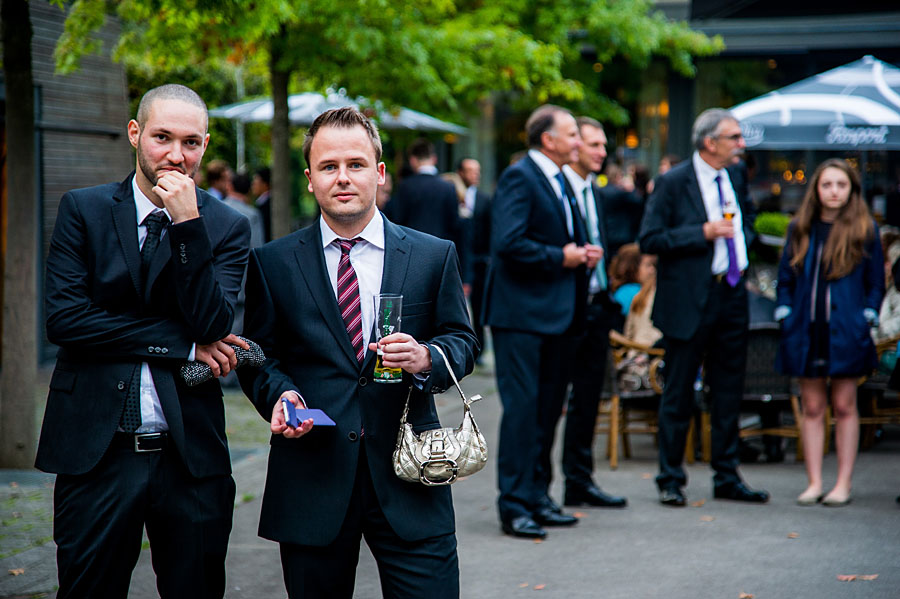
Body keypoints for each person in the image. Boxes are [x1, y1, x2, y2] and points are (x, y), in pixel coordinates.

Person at [238, 107, 478, 598]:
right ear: (309, 179)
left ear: (380, 172)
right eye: (328, 167)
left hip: (412, 476)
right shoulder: (272, 263)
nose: (342, 178)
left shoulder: (434, 255)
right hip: (312, 476)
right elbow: (259, 356)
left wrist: (428, 357)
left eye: (356, 164)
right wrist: (280, 396)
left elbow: (463, 339)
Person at [35, 84, 251, 598]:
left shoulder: (226, 227)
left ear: (204, 145)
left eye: (191, 142)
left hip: (190, 457)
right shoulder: (82, 211)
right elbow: (66, 321)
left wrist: (187, 225)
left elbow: (211, 323)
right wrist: (179, 345)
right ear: (135, 134)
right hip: (96, 452)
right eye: (162, 137)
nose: (177, 154)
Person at [639, 107, 769, 507]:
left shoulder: (736, 174)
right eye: (734, 137)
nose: (741, 144)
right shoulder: (672, 182)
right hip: (688, 301)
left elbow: (745, 224)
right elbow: (650, 239)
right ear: (710, 142)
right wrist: (703, 232)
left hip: (731, 294)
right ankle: (670, 478)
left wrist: (740, 245)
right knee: (679, 392)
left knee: (729, 390)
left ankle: (727, 476)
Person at [484, 104, 600, 539]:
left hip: (558, 317)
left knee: (548, 410)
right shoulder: (521, 176)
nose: (579, 142)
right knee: (523, 412)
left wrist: (580, 254)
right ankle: (513, 506)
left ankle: (537, 495)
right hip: (521, 318)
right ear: (548, 139)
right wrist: (564, 257)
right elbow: (508, 244)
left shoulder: (558, 181)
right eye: (572, 134)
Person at [775, 158, 884, 507]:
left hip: (846, 329)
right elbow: (785, 279)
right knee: (812, 404)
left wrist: (865, 316)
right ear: (816, 189)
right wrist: (787, 312)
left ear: (852, 189)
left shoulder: (865, 229)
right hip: (806, 329)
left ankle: (843, 482)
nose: (834, 191)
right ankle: (814, 481)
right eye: (827, 184)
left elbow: (875, 283)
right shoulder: (800, 227)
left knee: (844, 403)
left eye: (841, 184)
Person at [559, 116, 627, 509]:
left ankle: (579, 482)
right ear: (574, 147)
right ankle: (542, 488)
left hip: (598, 304)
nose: (602, 152)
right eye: (594, 144)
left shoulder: (594, 190)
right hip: (566, 309)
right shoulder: (559, 189)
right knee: (554, 402)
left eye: (604, 145)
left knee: (589, 398)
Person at [385, 138, 460, 243]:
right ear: (434, 159)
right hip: (440, 248)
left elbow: (397, 219)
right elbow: (454, 223)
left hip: (411, 246)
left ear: (413, 160)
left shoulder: (406, 186)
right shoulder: (448, 187)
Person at [456, 157, 492, 358]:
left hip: (479, 261)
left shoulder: (485, 199)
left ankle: (479, 348)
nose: (475, 175)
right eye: (470, 170)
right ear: (461, 172)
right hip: (458, 258)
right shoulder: (452, 195)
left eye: (477, 171)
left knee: (478, 307)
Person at [609, 243, 650, 317]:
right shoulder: (630, 293)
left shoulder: (622, 290)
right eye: (647, 265)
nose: (651, 270)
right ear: (633, 267)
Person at [251, 166, 272, 242]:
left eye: (256, 181)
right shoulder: (262, 203)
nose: (253, 185)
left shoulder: (268, 205)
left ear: (265, 184)